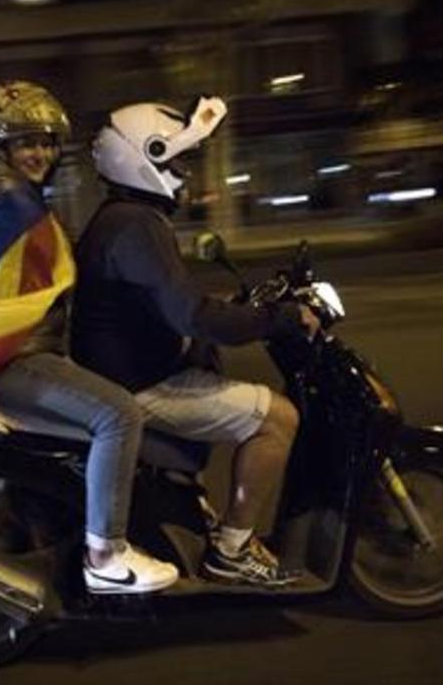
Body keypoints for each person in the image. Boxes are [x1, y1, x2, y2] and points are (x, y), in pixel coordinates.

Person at [70, 97, 320, 587]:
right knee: (279, 417)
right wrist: (280, 318)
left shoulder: (126, 218)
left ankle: (194, 511)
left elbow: (169, 300)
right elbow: (191, 314)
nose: (183, 173)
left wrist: (235, 314)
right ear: (145, 157)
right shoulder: (134, 225)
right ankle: (233, 548)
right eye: (174, 160)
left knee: (215, 373)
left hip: (128, 371)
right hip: (137, 385)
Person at [0, 80, 179, 595]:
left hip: (3, 350)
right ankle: (106, 554)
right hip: (13, 356)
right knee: (119, 413)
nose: (40, 153)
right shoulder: (3, 201)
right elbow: (21, 284)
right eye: (26, 142)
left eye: (48, 142)